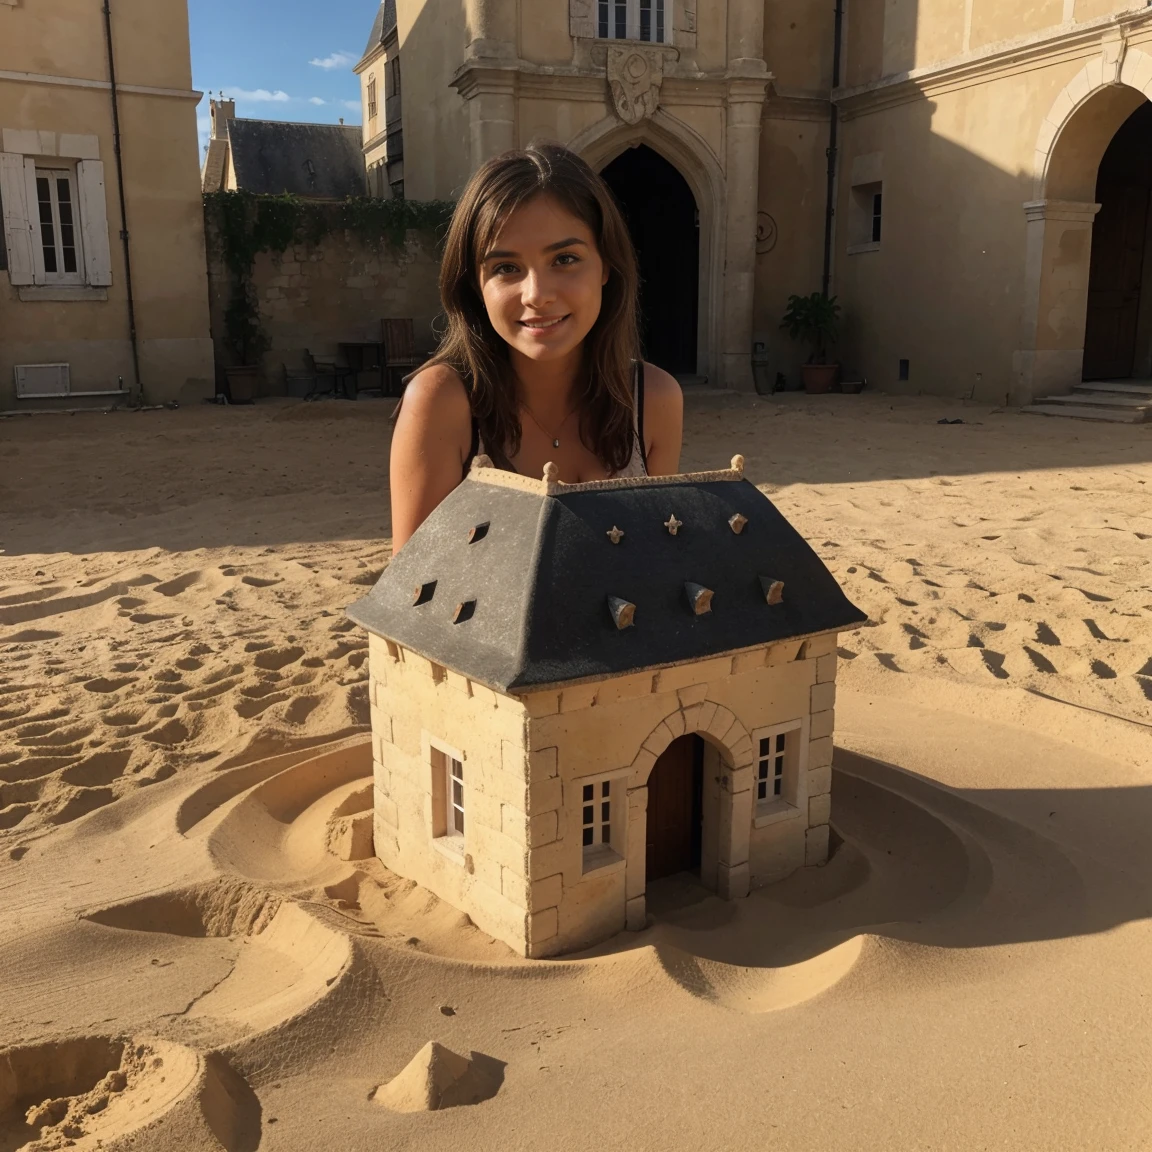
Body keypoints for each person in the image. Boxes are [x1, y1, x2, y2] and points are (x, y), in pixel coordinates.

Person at [389, 143, 683, 553]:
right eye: (506, 268)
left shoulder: (654, 400)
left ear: (606, 268)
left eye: (565, 259)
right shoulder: (442, 402)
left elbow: (658, 563)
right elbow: (410, 599)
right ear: (476, 285)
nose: (537, 295)